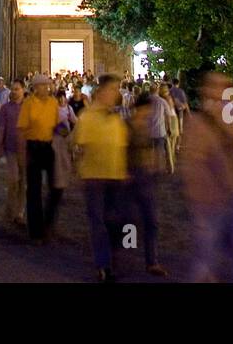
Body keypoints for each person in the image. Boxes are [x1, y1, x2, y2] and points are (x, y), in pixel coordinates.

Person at [179, 72, 233, 282]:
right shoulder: (199, 123)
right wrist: (197, 204)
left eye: (226, 85)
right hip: (210, 202)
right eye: (218, 86)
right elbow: (192, 167)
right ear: (206, 90)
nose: (223, 90)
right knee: (207, 260)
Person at [71, 74, 128, 281]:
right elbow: (80, 147)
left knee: (115, 221)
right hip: (94, 177)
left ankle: (113, 259)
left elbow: (121, 147)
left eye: (117, 89)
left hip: (115, 176)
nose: (116, 93)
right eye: (113, 89)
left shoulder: (115, 117)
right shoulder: (88, 116)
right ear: (101, 91)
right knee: (99, 223)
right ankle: (104, 265)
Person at [125, 91, 168, 275]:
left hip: (145, 177)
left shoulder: (145, 127)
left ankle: (152, 261)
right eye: (147, 109)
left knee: (151, 221)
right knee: (131, 221)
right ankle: (128, 257)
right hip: (131, 178)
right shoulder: (127, 126)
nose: (150, 113)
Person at [19, 74, 63, 242]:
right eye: (43, 85)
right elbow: (22, 129)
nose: (47, 88)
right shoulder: (28, 104)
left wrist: (62, 131)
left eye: (48, 85)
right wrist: (22, 154)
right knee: (34, 190)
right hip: (33, 147)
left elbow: (56, 124)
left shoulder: (53, 102)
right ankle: (36, 231)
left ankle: (47, 222)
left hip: (48, 147)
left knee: (56, 186)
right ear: (35, 87)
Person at [0, 79, 26, 227]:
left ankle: (19, 212)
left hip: (26, 150)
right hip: (11, 149)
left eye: (17, 89)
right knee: (14, 179)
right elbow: (2, 128)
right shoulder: (5, 108)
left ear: (23, 90)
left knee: (23, 183)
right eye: (13, 89)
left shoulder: (28, 107)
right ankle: (11, 209)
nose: (14, 92)